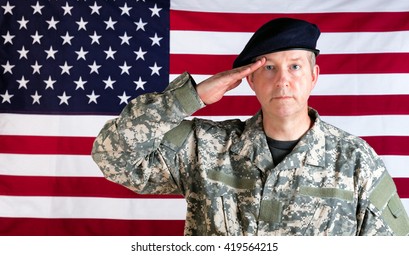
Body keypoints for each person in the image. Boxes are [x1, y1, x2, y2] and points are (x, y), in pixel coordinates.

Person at [91, 17, 409, 236]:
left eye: (295, 66)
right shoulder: (204, 148)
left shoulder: (356, 162)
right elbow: (114, 158)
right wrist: (192, 96)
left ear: (314, 76)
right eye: (268, 67)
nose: (283, 79)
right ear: (250, 79)